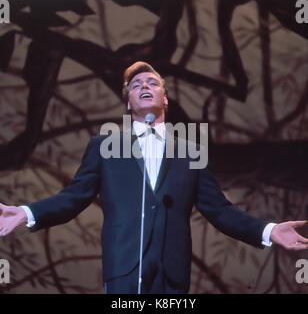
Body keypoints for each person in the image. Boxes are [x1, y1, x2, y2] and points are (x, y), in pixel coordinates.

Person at [0, 61, 307, 294]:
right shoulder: (105, 146)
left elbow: (219, 209)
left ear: (165, 98)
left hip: (172, 271)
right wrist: (27, 212)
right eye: (135, 85)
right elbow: (74, 196)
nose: (144, 86)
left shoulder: (190, 150)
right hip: (123, 267)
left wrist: (268, 230)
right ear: (128, 102)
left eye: (152, 82)